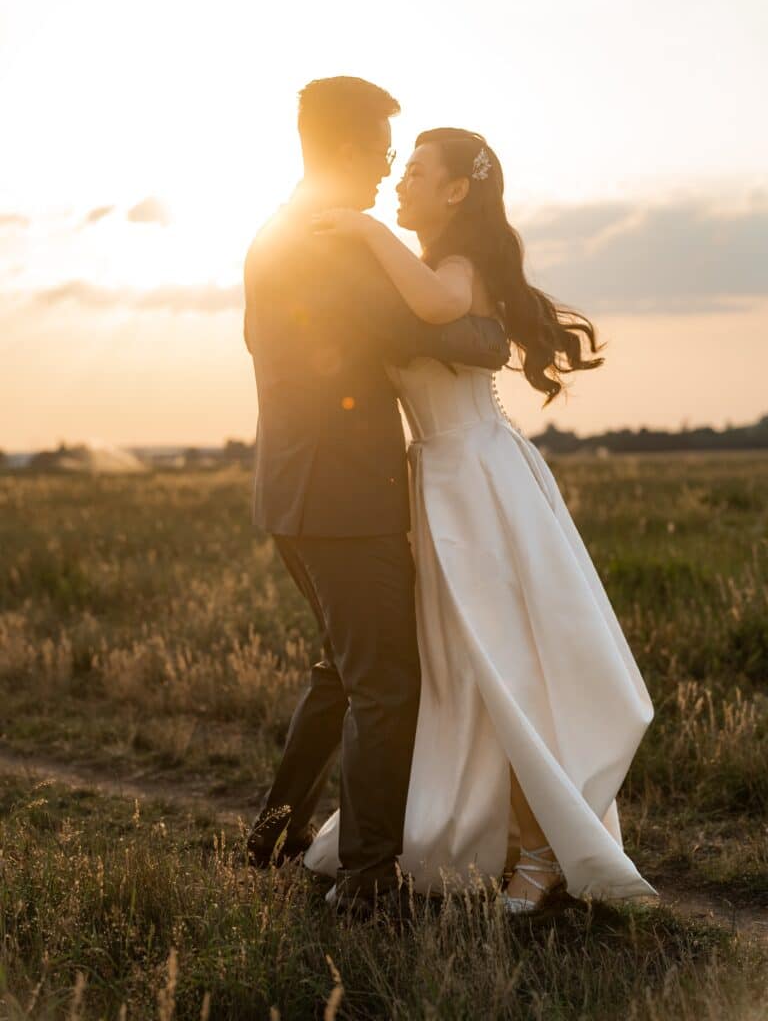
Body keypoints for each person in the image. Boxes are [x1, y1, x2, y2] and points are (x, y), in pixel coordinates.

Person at [305, 128, 656, 912]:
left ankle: (540, 854)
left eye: (418, 173)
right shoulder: (429, 265)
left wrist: (364, 229)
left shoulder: (455, 268)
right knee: (463, 673)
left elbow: (433, 308)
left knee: (507, 667)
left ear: (458, 191)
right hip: (440, 482)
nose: (399, 185)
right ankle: (496, 836)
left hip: (481, 484)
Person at [243, 86, 510, 913]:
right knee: (387, 686)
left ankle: (274, 836)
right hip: (342, 498)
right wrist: (500, 333)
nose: (391, 168)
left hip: (293, 489)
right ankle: (364, 881)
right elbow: (427, 332)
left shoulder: (276, 230)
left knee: (341, 672)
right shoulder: (335, 241)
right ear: (353, 150)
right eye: (388, 153)